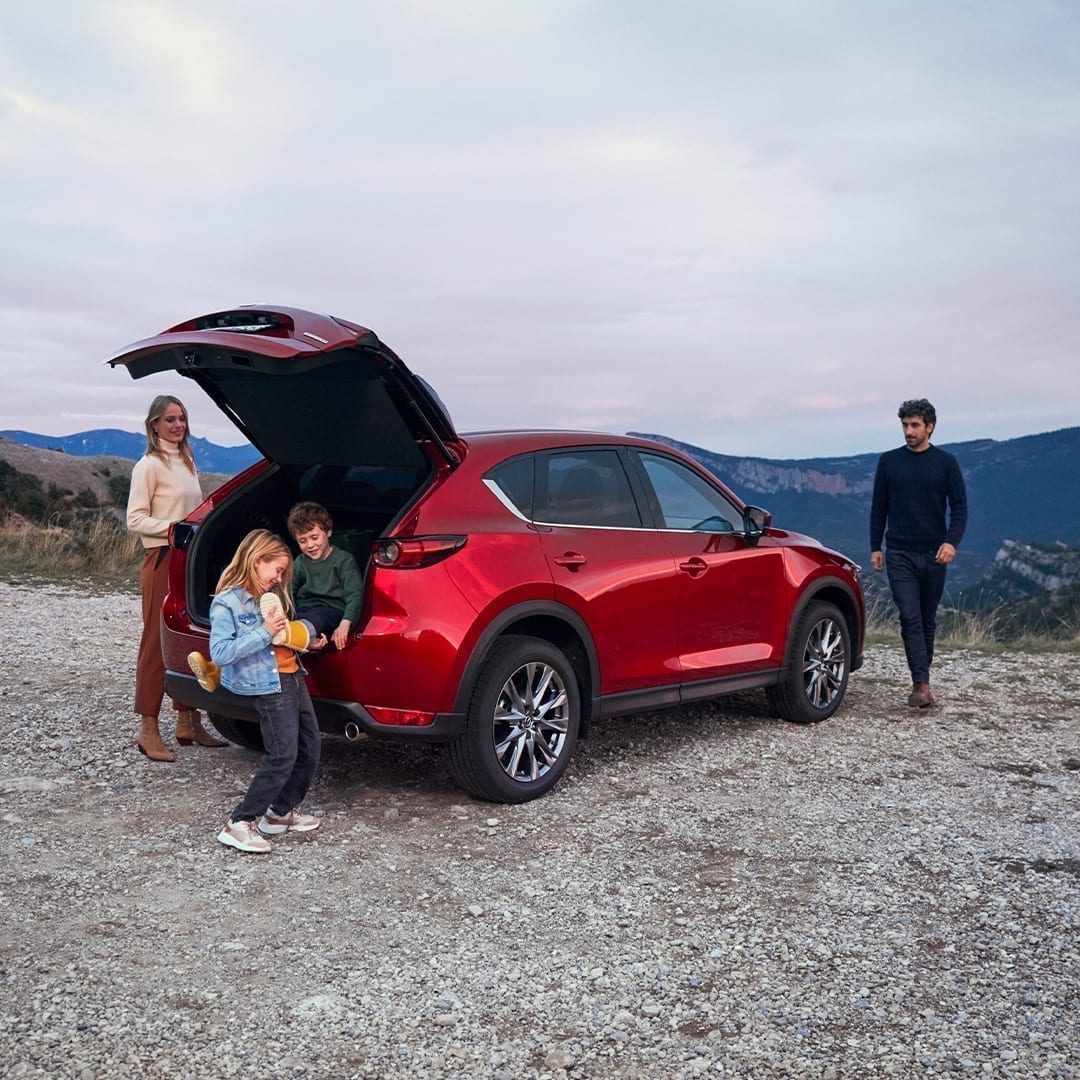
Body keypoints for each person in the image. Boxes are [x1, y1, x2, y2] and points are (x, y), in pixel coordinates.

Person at [210, 529, 323, 854]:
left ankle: (279, 813)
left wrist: (306, 641)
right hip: (268, 684)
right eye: (277, 570)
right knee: (283, 753)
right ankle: (239, 822)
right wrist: (263, 632)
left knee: (310, 745)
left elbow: (280, 638)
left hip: (291, 675)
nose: (279, 578)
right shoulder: (227, 602)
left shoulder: (266, 598)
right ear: (258, 561)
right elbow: (220, 652)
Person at [127, 395, 226, 761]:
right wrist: (173, 530)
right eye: (169, 419)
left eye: (182, 418)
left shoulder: (186, 460)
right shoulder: (148, 465)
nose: (177, 425)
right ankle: (148, 728)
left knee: (189, 637)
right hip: (162, 558)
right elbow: (134, 519)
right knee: (155, 641)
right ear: (154, 425)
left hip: (189, 559)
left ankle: (188, 721)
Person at [870, 399, 968, 708]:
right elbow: (878, 507)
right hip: (899, 551)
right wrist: (876, 546)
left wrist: (951, 542)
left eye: (915, 426)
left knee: (926, 620)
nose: (909, 431)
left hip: (934, 554)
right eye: (905, 425)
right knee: (909, 616)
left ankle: (922, 677)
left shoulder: (946, 463)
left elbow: (960, 508)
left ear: (930, 427)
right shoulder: (889, 462)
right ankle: (921, 685)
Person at [286, 501, 364, 651]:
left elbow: (355, 595)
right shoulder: (301, 562)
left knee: (319, 615)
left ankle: (297, 638)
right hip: (304, 609)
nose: (310, 545)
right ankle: (296, 637)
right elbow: (290, 590)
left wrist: (345, 623)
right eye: (303, 541)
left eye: (314, 538)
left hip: (332, 610)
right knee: (293, 615)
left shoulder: (343, 560)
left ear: (328, 532)